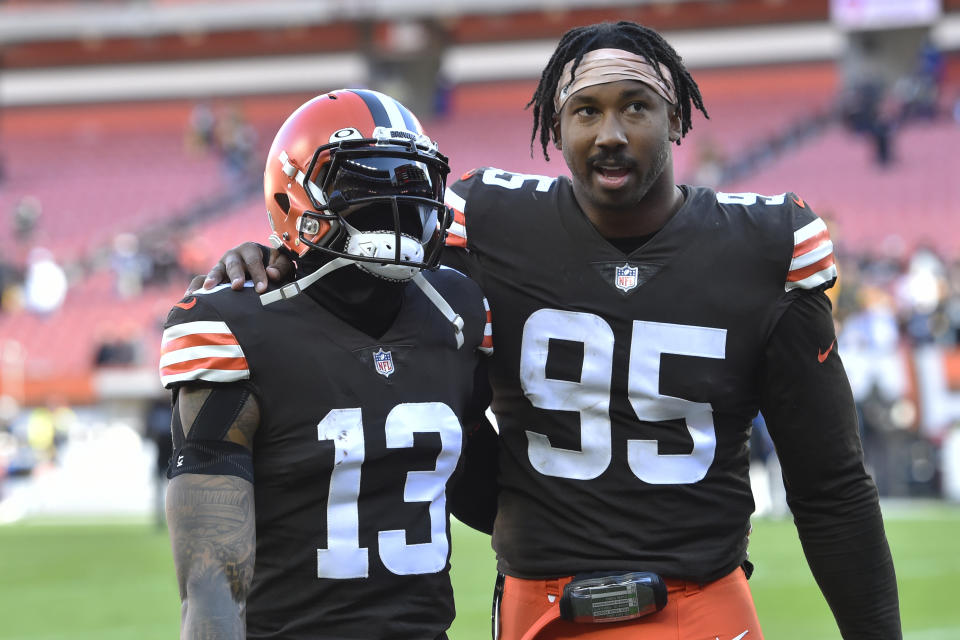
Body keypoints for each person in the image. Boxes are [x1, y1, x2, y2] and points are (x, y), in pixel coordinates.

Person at [194, 22, 901, 640]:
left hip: (701, 601)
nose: (611, 133)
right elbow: (364, 285)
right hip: (541, 606)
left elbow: (830, 485)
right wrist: (275, 258)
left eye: (636, 107)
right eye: (585, 111)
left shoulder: (766, 243)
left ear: (679, 117)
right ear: (553, 129)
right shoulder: (484, 223)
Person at [161, 89, 494, 639]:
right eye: (366, 183)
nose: (396, 202)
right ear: (293, 193)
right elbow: (209, 583)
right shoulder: (236, 324)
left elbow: (494, 497)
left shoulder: (456, 309)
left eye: (412, 183)